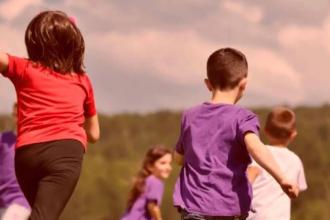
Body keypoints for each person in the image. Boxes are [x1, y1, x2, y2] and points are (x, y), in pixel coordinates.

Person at [172, 48, 299, 220]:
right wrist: (282, 178)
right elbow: (256, 147)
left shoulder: (190, 116)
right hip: (228, 208)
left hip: (193, 207)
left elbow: (179, 158)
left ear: (208, 83)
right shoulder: (243, 118)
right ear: (243, 84)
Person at [0, 10, 100, 220]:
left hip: (27, 154)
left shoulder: (25, 68)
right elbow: (94, 133)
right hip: (65, 153)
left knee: (40, 213)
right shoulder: (82, 80)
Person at [247, 107, 307, 220]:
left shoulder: (258, 154)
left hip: (255, 216)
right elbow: (297, 190)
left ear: (265, 130)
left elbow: (247, 180)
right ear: (293, 134)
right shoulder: (295, 160)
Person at [121, 146, 172, 220]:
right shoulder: (156, 182)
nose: (168, 167)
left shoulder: (147, 181)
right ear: (150, 166)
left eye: (170, 163)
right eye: (163, 163)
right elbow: (152, 206)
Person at [0, 103, 31, 220]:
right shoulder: (3, 139)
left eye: (20, 115)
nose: (17, 118)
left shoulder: (32, 143)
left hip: (20, 201)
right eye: (15, 115)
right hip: (2, 200)